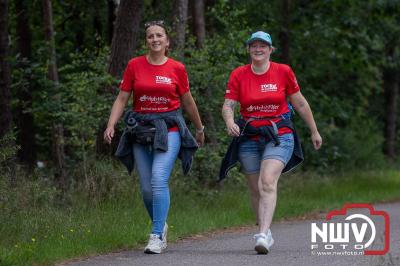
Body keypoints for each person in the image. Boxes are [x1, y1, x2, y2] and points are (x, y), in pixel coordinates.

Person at [104, 20, 205, 254]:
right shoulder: (134, 65)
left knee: (159, 179)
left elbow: (188, 101)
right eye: (151, 36)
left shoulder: (177, 68)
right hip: (140, 130)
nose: (155, 39)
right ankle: (161, 223)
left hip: (169, 129)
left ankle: (156, 234)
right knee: (147, 189)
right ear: (146, 41)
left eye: (160, 35)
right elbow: (122, 98)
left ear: (167, 41)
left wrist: (199, 129)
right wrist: (111, 125)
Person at [221, 31, 322, 254]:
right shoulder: (239, 74)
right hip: (249, 135)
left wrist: (314, 131)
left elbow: (301, 104)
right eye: (254, 45)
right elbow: (228, 105)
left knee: (267, 182)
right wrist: (230, 122)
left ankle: (263, 234)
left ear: (270, 49)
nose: (258, 49)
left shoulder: (283, 72)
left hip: (279, 134)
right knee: (255, 188)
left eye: (263, 46)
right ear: (249, 49)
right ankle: (265, 230)